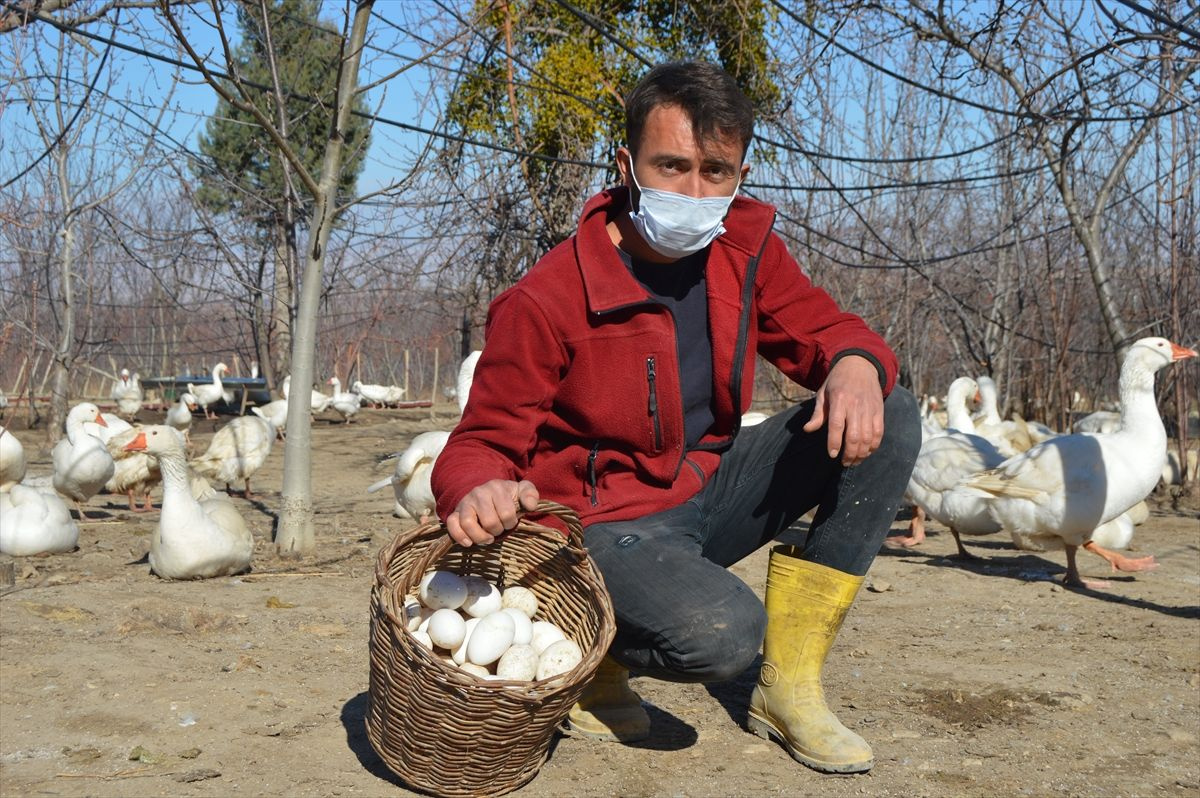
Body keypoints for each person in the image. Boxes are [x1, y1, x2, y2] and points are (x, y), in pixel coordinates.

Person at [431, 60, 920, 774]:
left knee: (890, 408)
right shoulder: (549, 297)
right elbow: (479, 443)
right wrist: (475, 486)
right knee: (723, 636)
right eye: (672, 166)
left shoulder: (744, 252)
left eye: (716, 171)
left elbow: (829, 330)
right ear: (626, 165)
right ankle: (588, 652)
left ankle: (789, 689)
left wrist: (853, 364)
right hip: (597, 527)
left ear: (741, 172)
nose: (695, 192)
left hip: (704, 490)